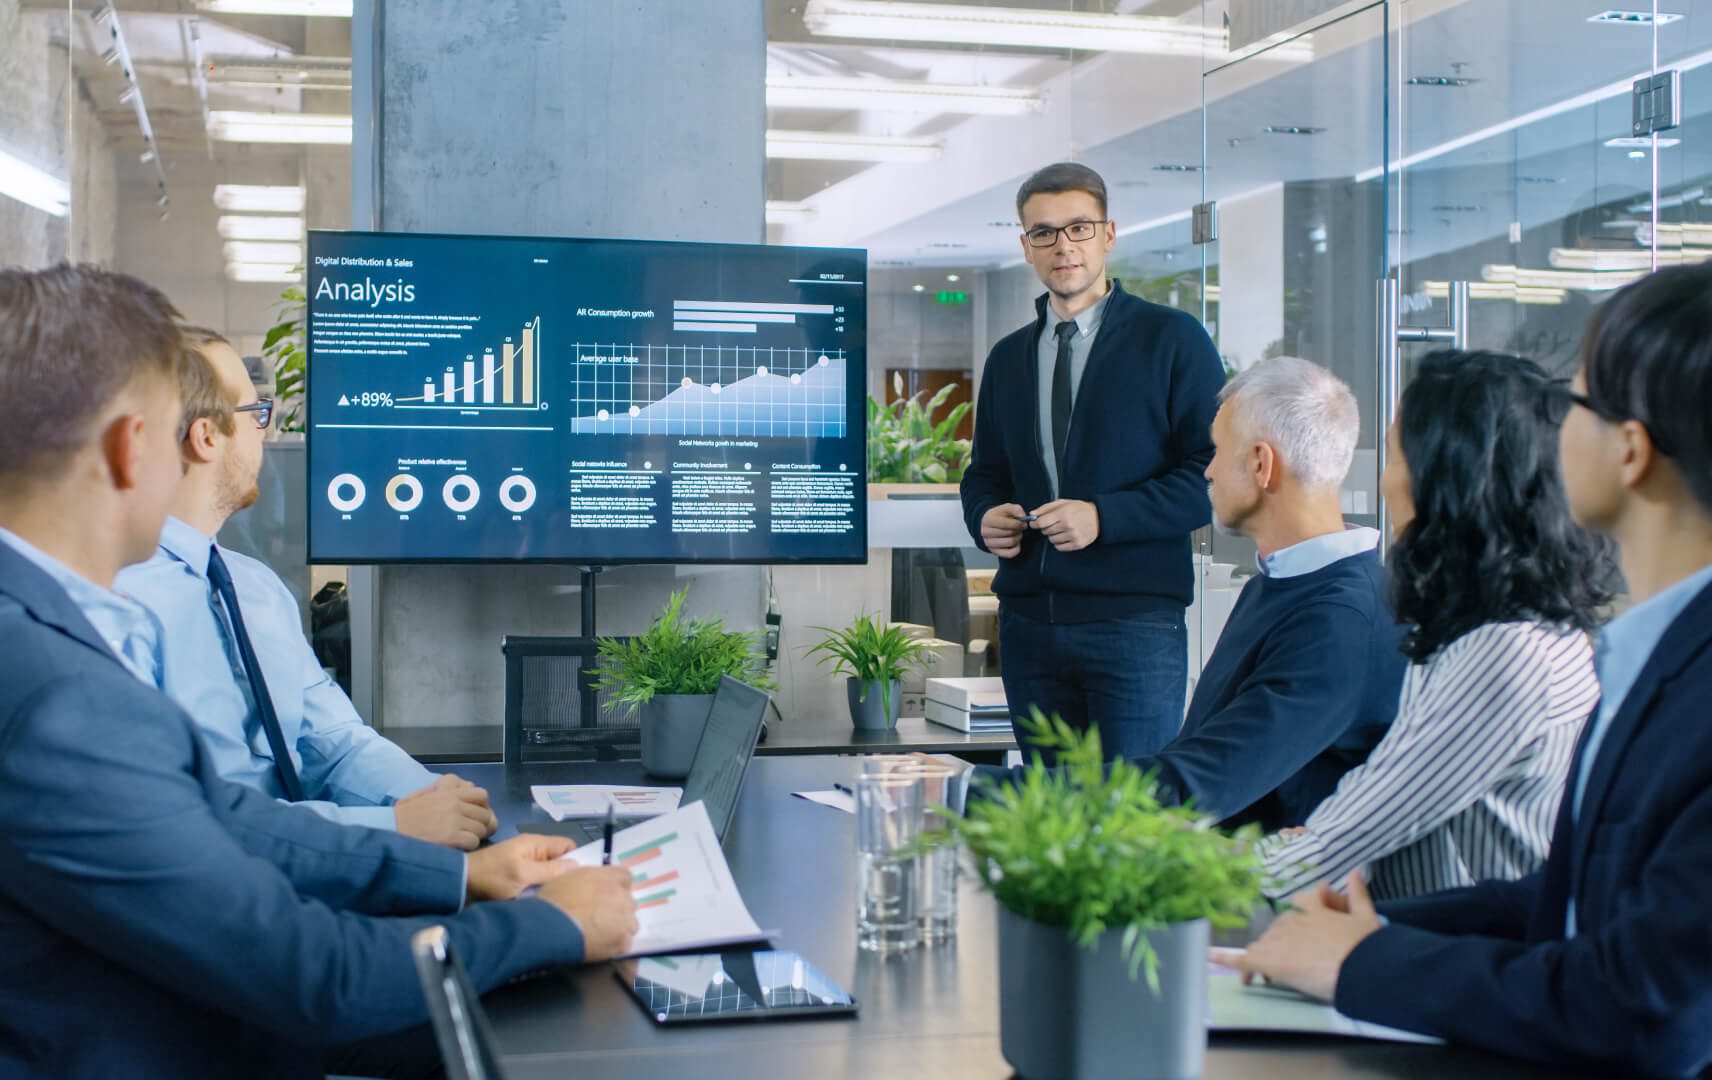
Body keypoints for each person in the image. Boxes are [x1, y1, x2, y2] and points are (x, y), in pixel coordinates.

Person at [0, 264, 638, 1078]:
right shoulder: (57, 698)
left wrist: (461, 874)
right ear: (134, 449)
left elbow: (222, 814)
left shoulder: (36, 631)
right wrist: (550, 926)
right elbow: (312, 975)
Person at [1219, 264, 1712, 1076]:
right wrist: (1375, 935)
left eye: (1578, 401)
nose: (1554, 427)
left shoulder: (1567, 660)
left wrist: (1358, 962)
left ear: (1631, 451)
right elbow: (1565, 898)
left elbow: (1643, 1005)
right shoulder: (1644, 652)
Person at [117, 327, 495, 849]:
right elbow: (184, 821)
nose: (266, 434)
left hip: (320, 862)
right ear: (206, 437)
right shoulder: (119, 604)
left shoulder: (256, 589)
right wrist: (394, 827)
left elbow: (333, 741)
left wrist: (439, 799)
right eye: (256, 415)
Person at [1260, 351, 1610, 900]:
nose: (1382, 483)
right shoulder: (1497, 630)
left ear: (1447, 485)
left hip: (1458, 959)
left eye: (1396, 457)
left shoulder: (1502, 655)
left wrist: (1156, 870)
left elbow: (1339, 843)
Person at [960, 162, 1225, 761]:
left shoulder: (1173, 340)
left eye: (1079, 228)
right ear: (1025, 246)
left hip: (1135, 627)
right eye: (1045, 232)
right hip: (1030, 626)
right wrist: (985, 516)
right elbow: (985, 472)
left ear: (1108, 235)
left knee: (1135, 815)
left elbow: (1212, 471)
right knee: (1050, 825)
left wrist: (1104, 517)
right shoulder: (1009, 357)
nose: (1064, 246)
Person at [1121, 356, 1406, 828]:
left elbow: (1199, 786)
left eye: (1216, 450)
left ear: (1260, 463)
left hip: (1274, 894)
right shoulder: (1282, 582)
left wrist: (971, 789)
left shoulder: (1341, 620)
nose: (1207, 471)